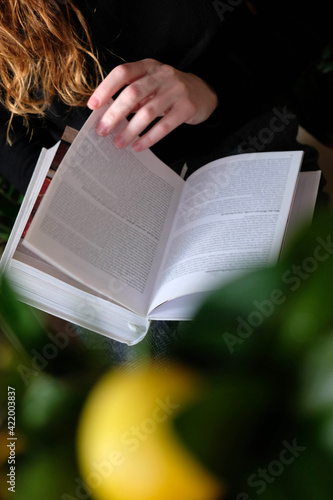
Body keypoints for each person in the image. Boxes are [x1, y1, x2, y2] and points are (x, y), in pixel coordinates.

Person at [0, 0, 332, 194]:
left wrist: (210, 87)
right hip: (104, 197)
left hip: (238, 144)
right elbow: (6, 132)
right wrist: (47, 184)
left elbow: (308, 15)